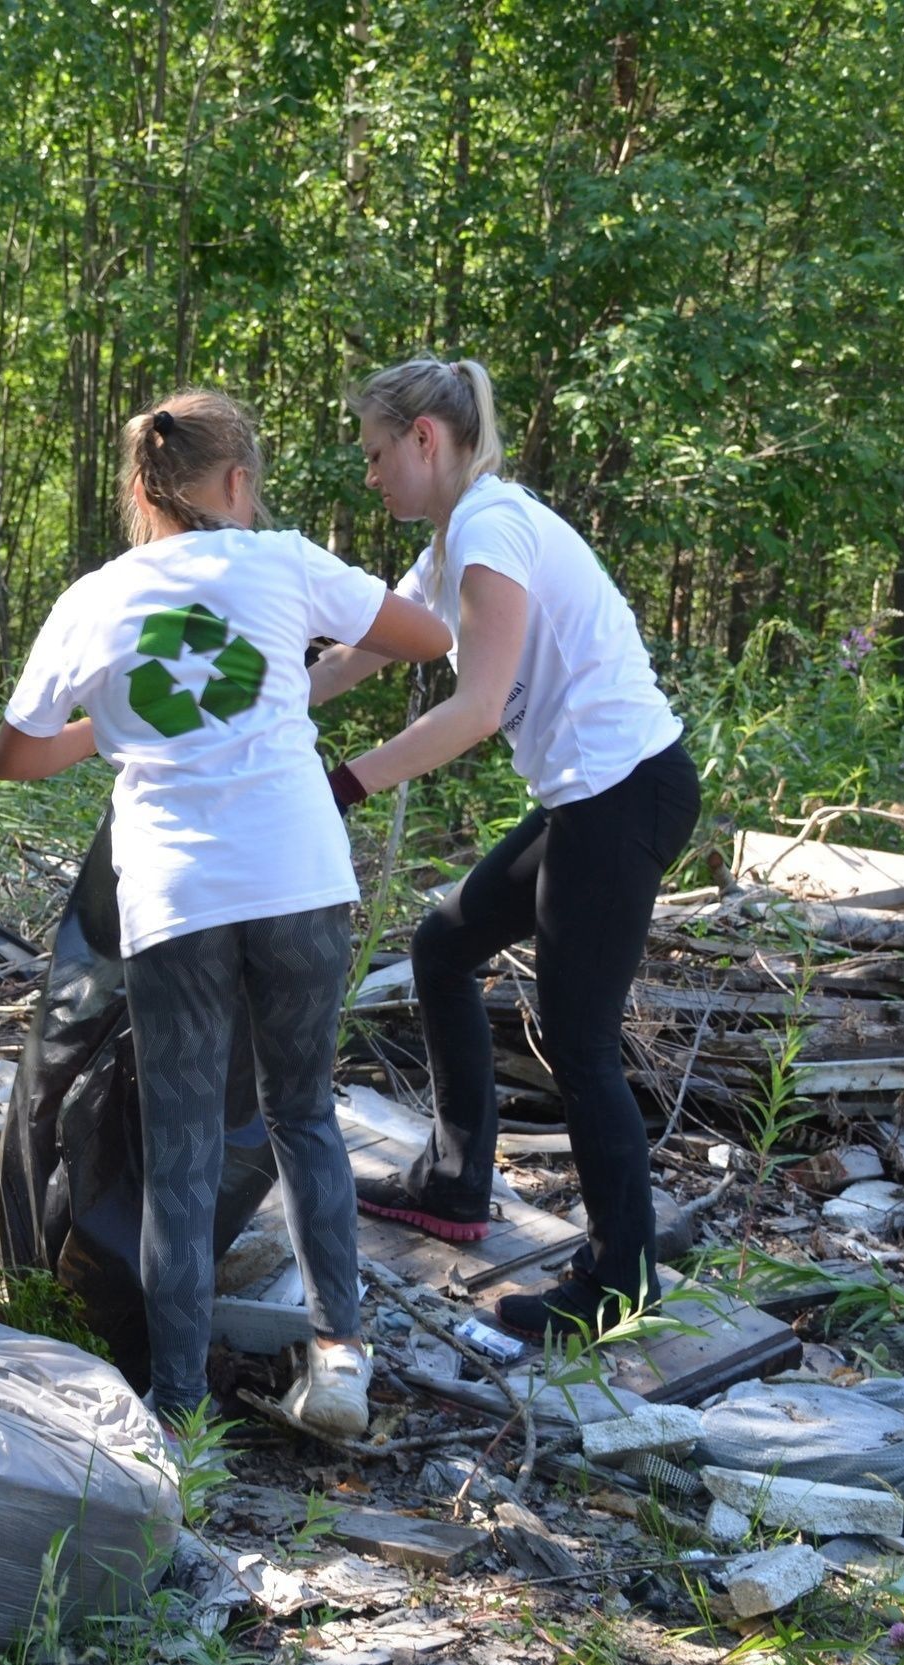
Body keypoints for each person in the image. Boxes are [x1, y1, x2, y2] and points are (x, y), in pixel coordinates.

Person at [0, 390, 451, 1434]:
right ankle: (340, 1358)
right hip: (297, 874)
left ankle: (177, 1401)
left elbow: (16, 753)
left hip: (175, 894)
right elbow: (426, 637)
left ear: (141, 492)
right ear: (237, 482)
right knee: (303, 1116)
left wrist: (102, 735)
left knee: (185, 1144)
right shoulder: (287, 562)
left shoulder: (95, 596)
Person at [313, 356, 699, 1341]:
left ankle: (620, 1279)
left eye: (374, 454)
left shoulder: (489, 527)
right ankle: (453, 1181)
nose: (370, 476)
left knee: (577, 1040)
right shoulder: (455, 539)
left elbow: (478, 709)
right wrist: (268, 698)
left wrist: (347, 781)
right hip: (589, 799)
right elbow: (367, 645)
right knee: (443, 947)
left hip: (622, 796)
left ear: (424, 441)